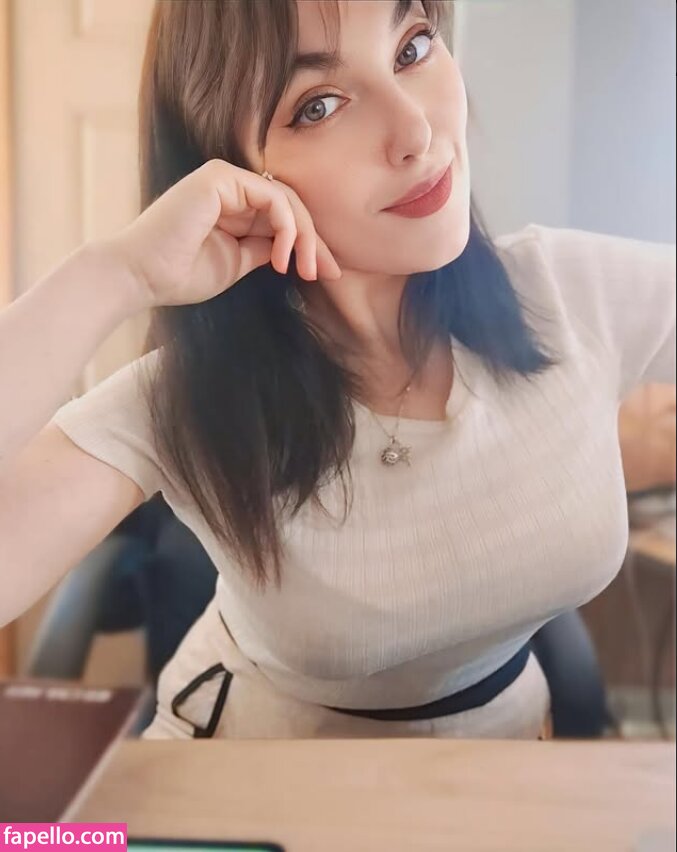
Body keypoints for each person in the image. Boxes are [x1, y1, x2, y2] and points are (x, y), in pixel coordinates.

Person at [1, 0, 674, 741]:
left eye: (412, 48)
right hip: (248, 773)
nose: (414, 132)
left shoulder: (569, 294)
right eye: (318, 105)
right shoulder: (187, 394)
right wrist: (115, 274)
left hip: (502, 768)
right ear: (228, 167)